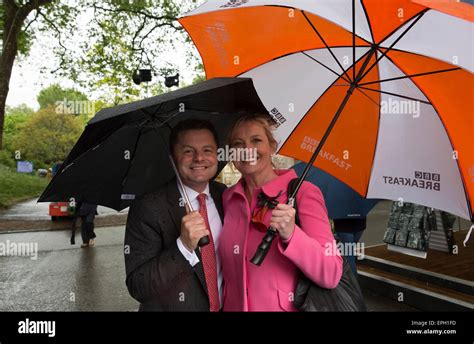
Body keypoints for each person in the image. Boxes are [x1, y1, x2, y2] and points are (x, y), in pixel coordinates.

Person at [219, 113, 343, 311]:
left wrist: (293, 235)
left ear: (272, 146)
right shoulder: (228, 199)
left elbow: (331, 272)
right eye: (238, 143)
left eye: (256, 140)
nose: (247, 150)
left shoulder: (303, 193)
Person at [124, 119, 226, 311]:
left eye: (207, 150)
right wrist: (183, 247)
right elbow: (138, 287)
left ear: (217, 155)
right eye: (188, 151)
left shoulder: (226, 196)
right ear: (172, 158)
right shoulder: (147, 207)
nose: (199, 158)